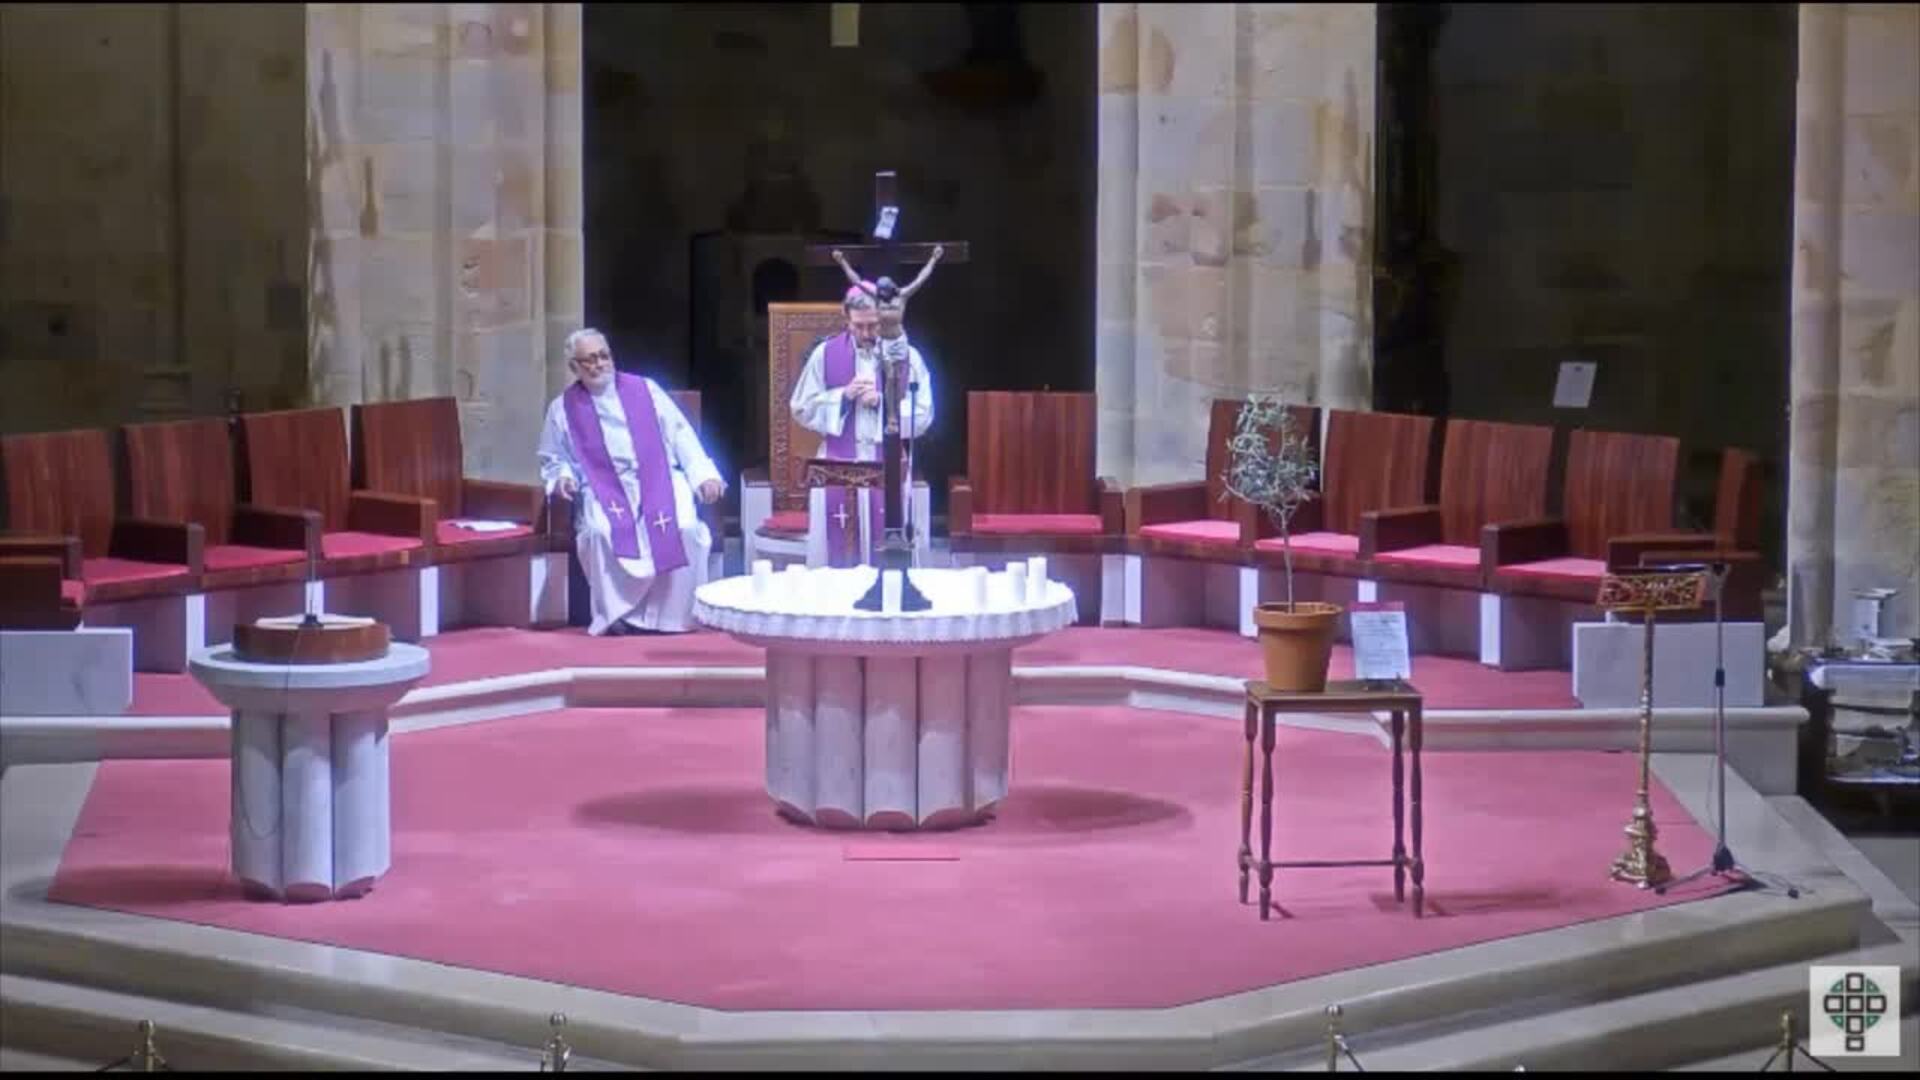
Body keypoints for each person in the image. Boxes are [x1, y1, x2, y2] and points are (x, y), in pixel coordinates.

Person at [537, 329, 725, 636]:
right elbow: (554, 458)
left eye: (604, 356)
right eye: (589, 360)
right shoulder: (563, 408)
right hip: (604, 486)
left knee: (685, 528)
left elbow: (682, 435)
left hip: (660, 476)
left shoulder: (646, 390)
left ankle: (673, 618)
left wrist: (703, 475)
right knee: (599, 532)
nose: (599, 364)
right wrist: (563, 478)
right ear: (574, 367)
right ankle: (620, 616)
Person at [788, 286, 934, 566]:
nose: (866, 334)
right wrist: (843, 397)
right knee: (837, 550)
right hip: (837, 467)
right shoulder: (824, 354)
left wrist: (883, 402)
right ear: (846, 318)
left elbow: (924, 414)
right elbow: (801, 407)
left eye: (873, 325)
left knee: (887, 552)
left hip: (888, 467)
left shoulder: (908, 357)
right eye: (858, 326)